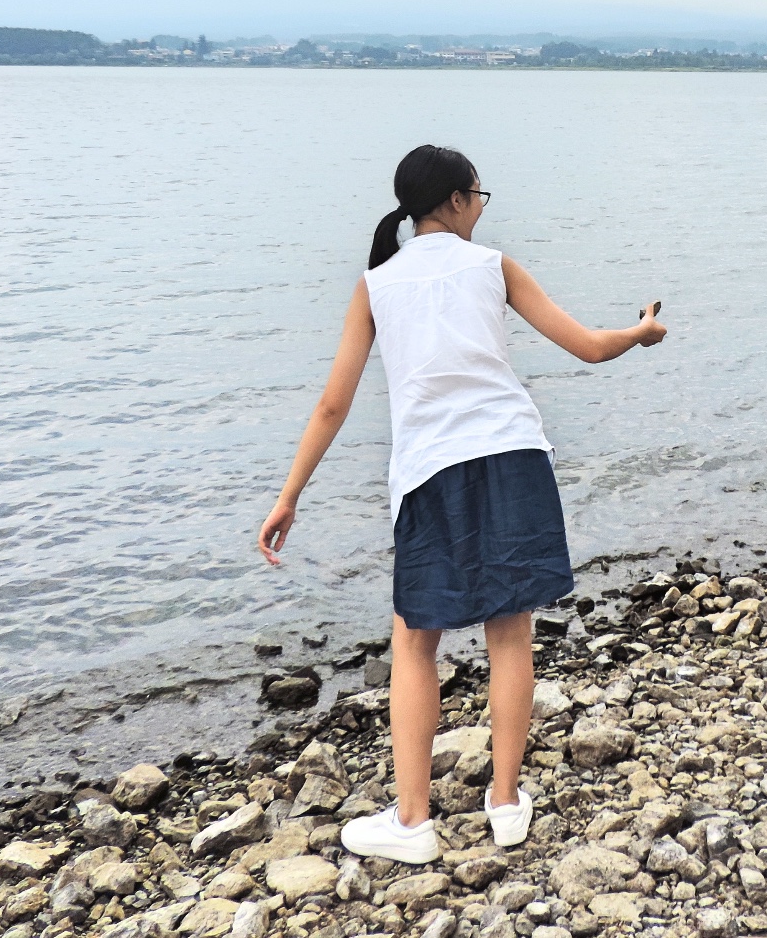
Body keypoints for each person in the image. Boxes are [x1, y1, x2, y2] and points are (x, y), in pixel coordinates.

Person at [258, 143, 666, 864]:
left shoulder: (376, 283)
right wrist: (642, 332)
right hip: (512, 455)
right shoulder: (492, 266)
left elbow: (331, 404)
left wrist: (290, 496)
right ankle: (505, 803)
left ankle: (413, 821)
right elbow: (589, 347)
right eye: (479, 195)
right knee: (510, 630)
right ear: (453, 200)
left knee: (416, 640)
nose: (481, 207)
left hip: (430, 471)